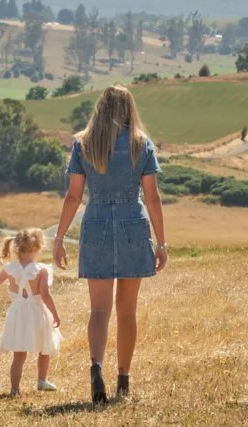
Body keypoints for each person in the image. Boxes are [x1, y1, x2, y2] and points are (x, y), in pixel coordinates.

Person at [52, 84, 167, 405]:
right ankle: (123, 380)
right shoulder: (141, 145)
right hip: (133, 223)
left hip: (97, 223)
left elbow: (73, 195)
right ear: (130, 110)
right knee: (126, 311)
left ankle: (96, 366)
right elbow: (153, 197)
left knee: (99, 310)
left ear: (99, 109)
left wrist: (59, 238)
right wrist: (162, 242)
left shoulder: (83, 144)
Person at [0, 227, 63, 396]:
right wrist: (55, 314)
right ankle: (42, 380)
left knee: (19, 354)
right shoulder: (42, 270)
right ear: (37, 248)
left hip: (18, 313)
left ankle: (14, 389)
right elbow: (45, 295)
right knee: (45, 346)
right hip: (37, 311)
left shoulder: (10, 269)